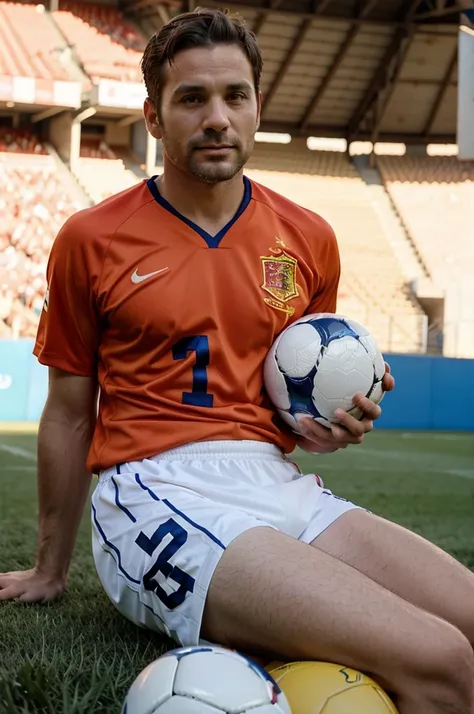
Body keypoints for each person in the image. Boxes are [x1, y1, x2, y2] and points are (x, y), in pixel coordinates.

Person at [0, 8, 473, 713]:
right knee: (441, 661)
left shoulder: (309, 237)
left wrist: (329, 428)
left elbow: (293, 416)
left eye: (235, 96)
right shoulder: (92, 239)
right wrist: (50, 567)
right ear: (156, 119)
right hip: (150, 491)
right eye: (192, 98)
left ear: (258, 107)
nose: (216, 117)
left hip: (276, 481)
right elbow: (70, 415)